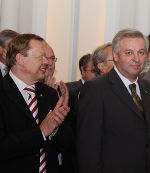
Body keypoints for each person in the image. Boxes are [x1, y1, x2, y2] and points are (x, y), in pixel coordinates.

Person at [76, 28, 150, 173]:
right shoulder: (96, 89)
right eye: (129, 53)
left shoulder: (147, 88)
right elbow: (88, 147)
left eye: (141, 52)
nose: (136, 58)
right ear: (115, 56)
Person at [0, 33, 72, 173]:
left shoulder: (49, 93)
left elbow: (67, 144)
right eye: (41, 57)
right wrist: (41, 132)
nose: (47, 62)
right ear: (20, 59)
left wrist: (57, 126)